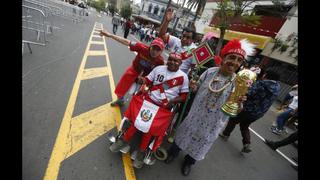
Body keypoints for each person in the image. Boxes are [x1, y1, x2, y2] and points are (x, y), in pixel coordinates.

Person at [164, 39, 255, 176]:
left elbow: (237, 110)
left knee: (202, 143)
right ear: (223, 58)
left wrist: (240, 102)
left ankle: (189, 162)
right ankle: (173, 153)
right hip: (195, 115)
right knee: (184, 133)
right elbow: (195, 89)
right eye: (231, 57)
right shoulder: (209, 72)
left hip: (214, 123)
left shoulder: (239, 83)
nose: (234, 62)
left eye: (239, 60)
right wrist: (193, 87)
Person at [109, 53, 189, 168]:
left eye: (176, 61)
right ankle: (123, 141)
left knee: (150, 129)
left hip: (164, 107)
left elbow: (184, 96)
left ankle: (141, 152)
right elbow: (148, 81)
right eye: (170, 59)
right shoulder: (158, 69)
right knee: (136, 120)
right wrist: (143, 81)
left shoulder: (183, 77)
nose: (172, 62)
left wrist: (171, 102)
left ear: (180, 63)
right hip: (149, 100)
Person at [219, 69, 281, 153]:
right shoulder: (277, 88)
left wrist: (245, 88)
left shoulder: (262, 84)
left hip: (248, 108)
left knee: (233, 120)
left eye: (265, 73)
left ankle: (225, 134)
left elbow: (249, 93)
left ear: (267, 75)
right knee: (244, 125)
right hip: (259, 113)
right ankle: (247, 144)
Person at [99, 29, 165, 106]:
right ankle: (120, 100)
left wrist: (146, 80)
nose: (155, 52)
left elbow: (159, 74)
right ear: (150, 47)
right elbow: (126, 42)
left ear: (161, 52)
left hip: (146, 77)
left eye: (158, 50)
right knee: (122, 85)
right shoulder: (142, 47)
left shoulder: (160, 61)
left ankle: (136, 108)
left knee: (142, 93)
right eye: (154, 48)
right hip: (135, 69)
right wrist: (110, 35)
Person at [158, 7, 197, 74]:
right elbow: (161, 36)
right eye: (183, 36)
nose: (184, 39)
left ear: (192, 40)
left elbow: (193, 68)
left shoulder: (195, 50)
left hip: (178, 79)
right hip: (166, 72)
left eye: (188, 37)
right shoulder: (176, 41)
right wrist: (167, 21)